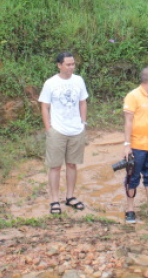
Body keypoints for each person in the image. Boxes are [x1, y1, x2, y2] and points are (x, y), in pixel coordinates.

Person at [39, 52, 89, 215]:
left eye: (73, 64)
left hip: (76, 129)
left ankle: (70, 196)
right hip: (58, 130)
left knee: (72, 164)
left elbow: (83, 102)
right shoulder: (50, 83)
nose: (71, 67)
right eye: (68, 64)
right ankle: (54, 199)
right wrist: (49, 129)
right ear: (59, 65)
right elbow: (44, 106)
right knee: (55, 166)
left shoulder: (78, 80)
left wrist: (83, 123)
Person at [122, 67, 148, 224]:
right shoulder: (133, 96)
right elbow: (128, 121)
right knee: (132, 177)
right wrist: (127, 145)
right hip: (137, 145)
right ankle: (130, 209)